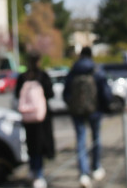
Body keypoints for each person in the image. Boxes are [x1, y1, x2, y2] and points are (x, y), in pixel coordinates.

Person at [63, 46, 113, 188]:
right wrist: (105, 106)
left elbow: (66, 93)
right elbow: (105, 91)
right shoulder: (96, 70)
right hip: (95, 110)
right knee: (96, 138)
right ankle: (96, 167)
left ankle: (83, 174)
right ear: (91, 55)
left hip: (77, 111)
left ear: (80, 55)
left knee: (80, 140)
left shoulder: (73, 70)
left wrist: (72, 105)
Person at [14, 51, 55, 188]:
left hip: (27, 117)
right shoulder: (42, 76)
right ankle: (39, 174)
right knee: (40, 146)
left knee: (31, 145)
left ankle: (32, 170)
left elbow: (16, 95)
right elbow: (50, 93)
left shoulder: (22, 77)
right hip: (42, 117)